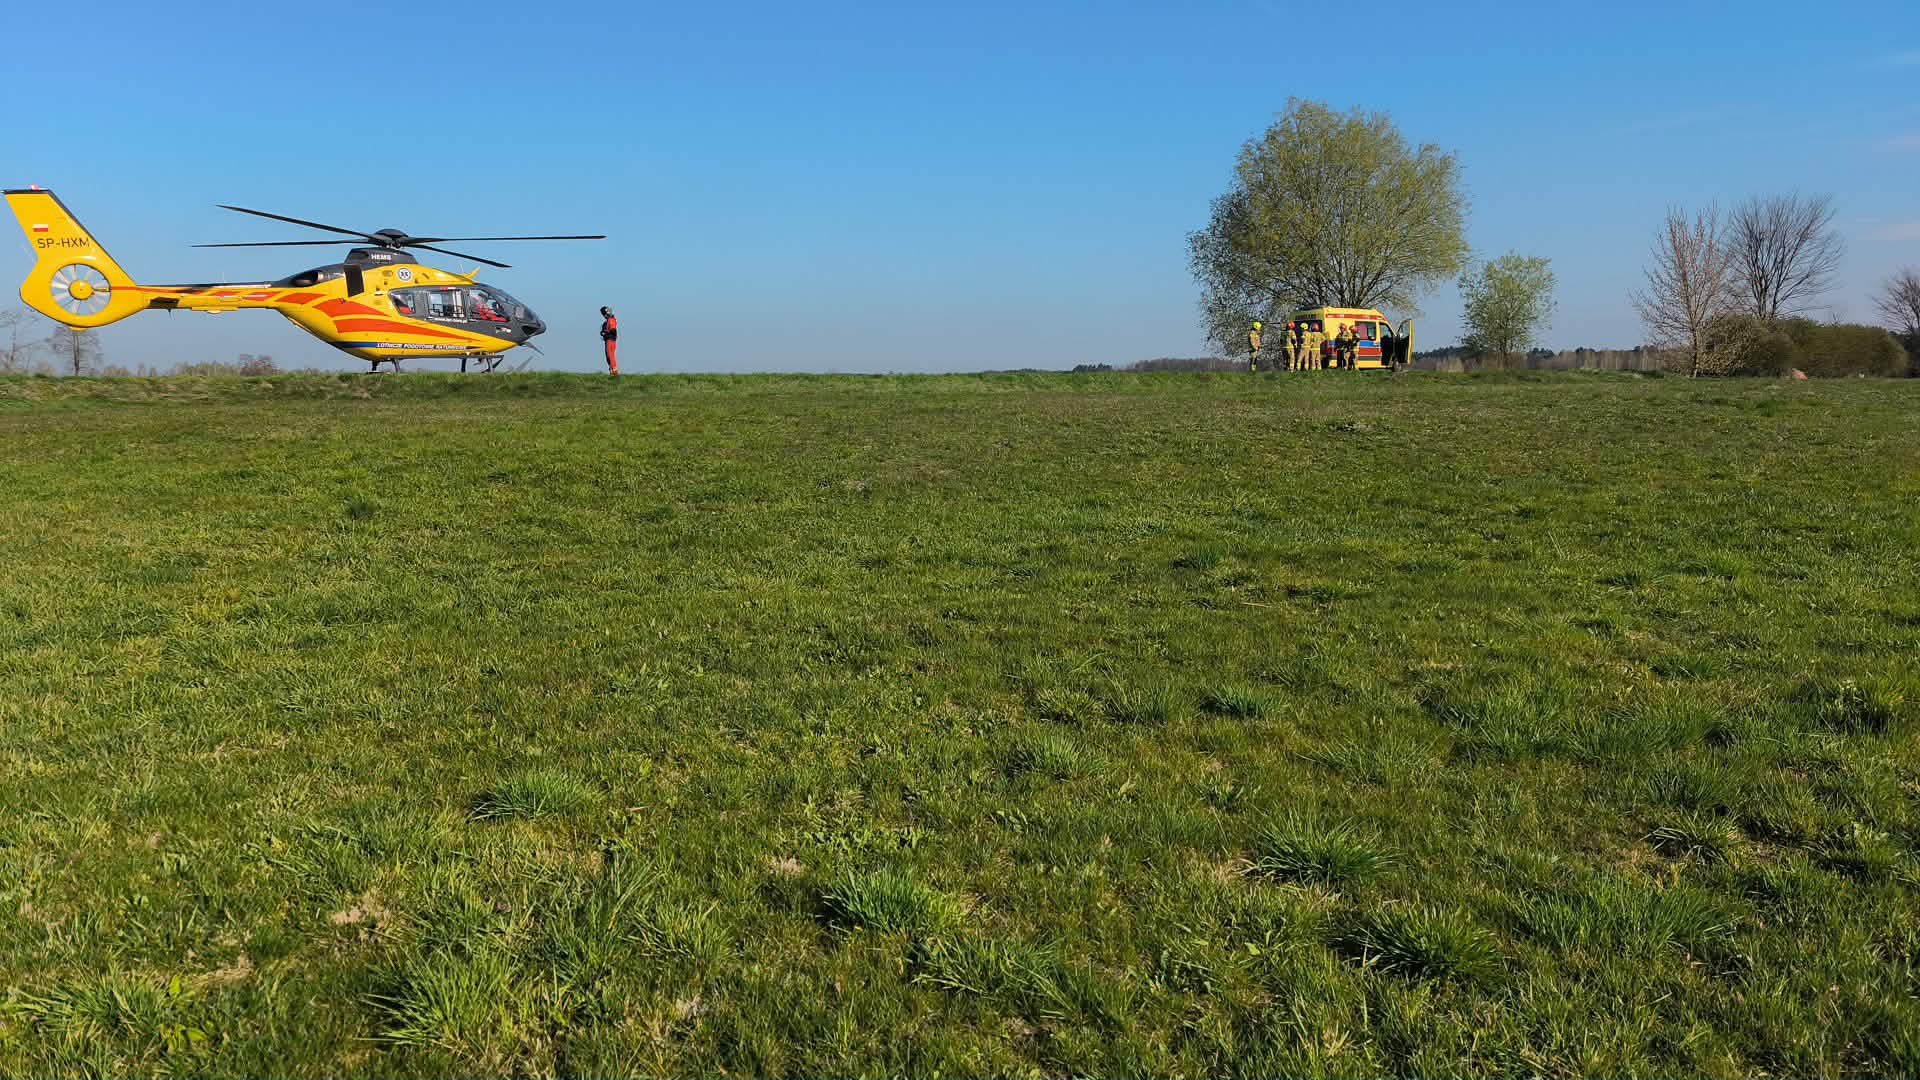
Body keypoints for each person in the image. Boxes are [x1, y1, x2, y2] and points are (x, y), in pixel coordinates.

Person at [599, 305, 619, 376]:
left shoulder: (611, 320)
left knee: (610, 356)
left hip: (610, 341)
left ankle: (614, 372)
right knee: (609, 357)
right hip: (609, 340)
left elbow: (613, 331)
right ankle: (612, 372)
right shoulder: (608, 321)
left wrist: (605, 333)